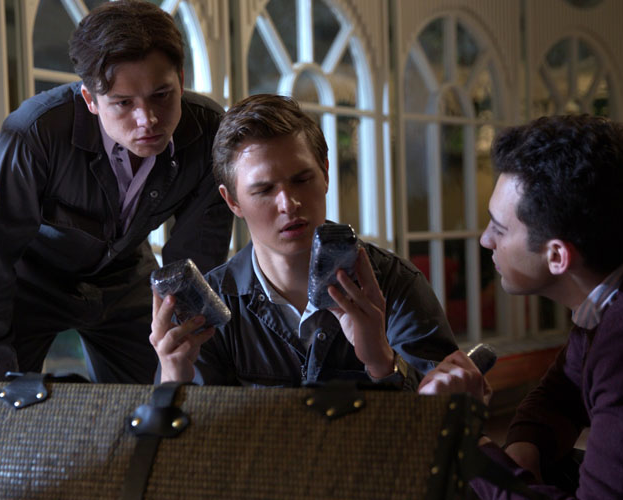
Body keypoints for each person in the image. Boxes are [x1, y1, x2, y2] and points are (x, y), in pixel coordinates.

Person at [0, 0, 233, 384]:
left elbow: (194, 265)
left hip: (125, 276)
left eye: (161, 95)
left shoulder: (209, 134)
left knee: (159, 399)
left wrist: (179, 367)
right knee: (7, 402)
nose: (148, 119)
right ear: (90, 100)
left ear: (181, 81)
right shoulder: (34, 134)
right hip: (27, 281)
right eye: (123, 103)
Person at [419, 114, 623, 499]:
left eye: (498, 229)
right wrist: (526, 449)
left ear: (557, 256)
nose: (486, 240)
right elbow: (563, 390)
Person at [150, 94, 457, 389]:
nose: (289, 203)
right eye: (264, 190)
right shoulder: (209, 313)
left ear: (325, 173)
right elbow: (196, 426)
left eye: (301, 179)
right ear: (232, 201)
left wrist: (381, 362)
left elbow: (446, 415)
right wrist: (173, 384)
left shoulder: (395, 284)